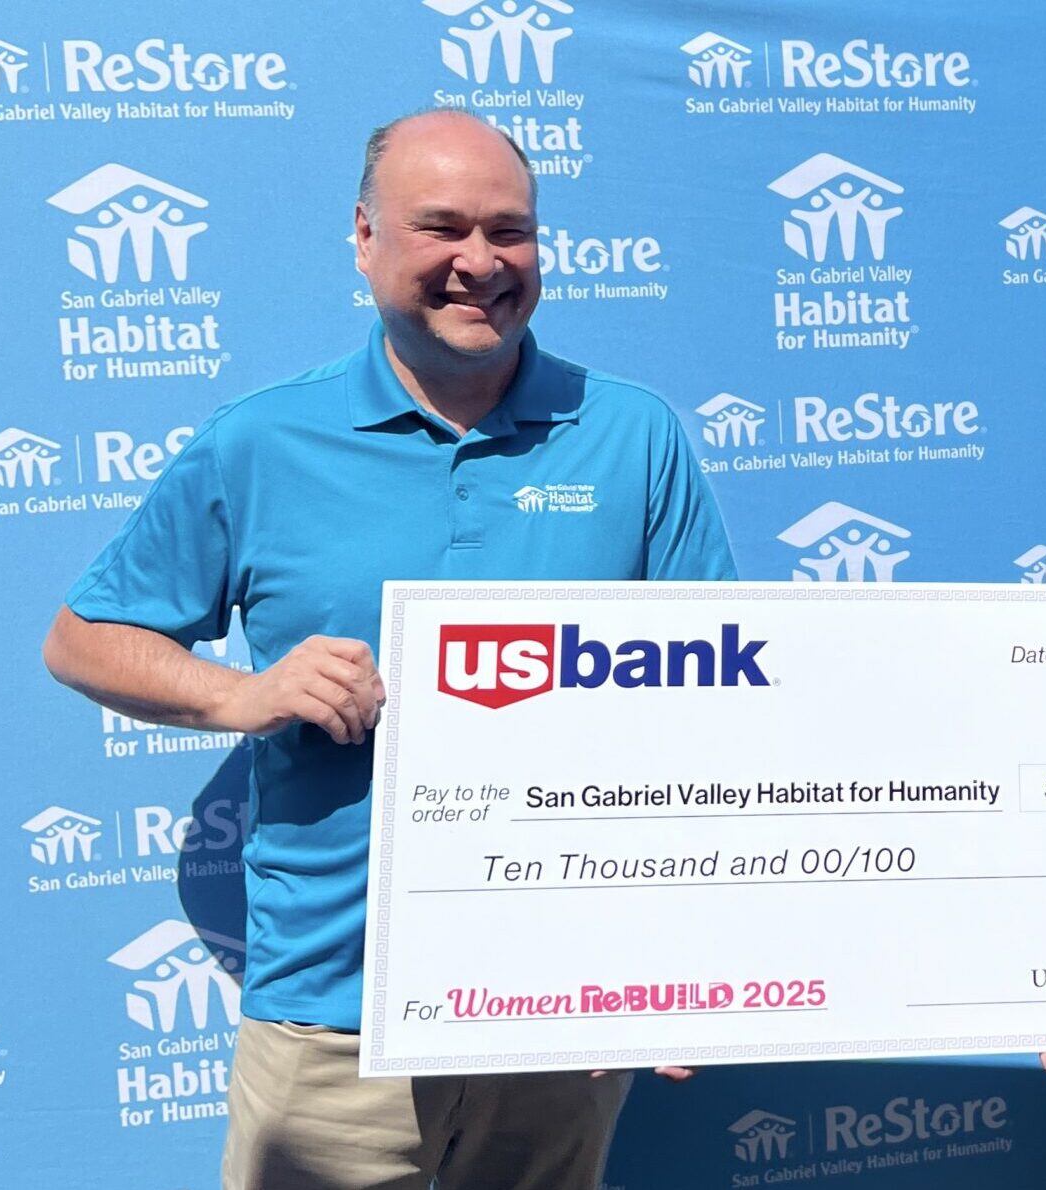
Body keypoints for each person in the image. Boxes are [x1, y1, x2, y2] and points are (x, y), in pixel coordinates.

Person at [43, 108, 736, 1190]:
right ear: (364, 238)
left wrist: (679, 961)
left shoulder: (633, 435)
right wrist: (244, 692)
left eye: (510, 231)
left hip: (559, 1017)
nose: (480, 263)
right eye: (442, 227)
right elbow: (84, 638)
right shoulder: (262, 440)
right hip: (331, 1022)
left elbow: (715, 709)